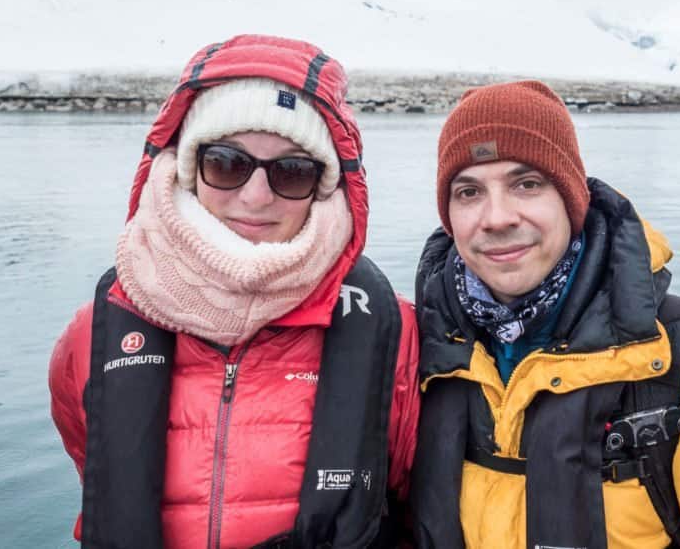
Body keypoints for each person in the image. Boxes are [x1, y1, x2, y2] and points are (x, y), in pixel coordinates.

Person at [410, 80, 680, 549]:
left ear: (571, 199)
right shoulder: (417, 353)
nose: (497, 217)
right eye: (468, 192)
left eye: (527, 184)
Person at [49, 35, 420, 549]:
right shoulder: (96, 336)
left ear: (326, 185)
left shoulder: (394, 336)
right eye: (227, 163)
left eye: (292, 172)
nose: (255, 196)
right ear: (187, 168)